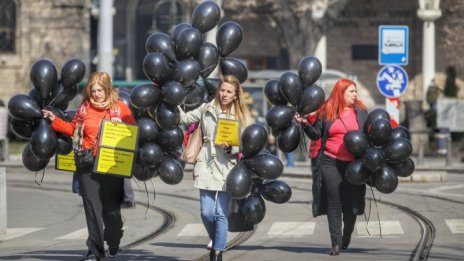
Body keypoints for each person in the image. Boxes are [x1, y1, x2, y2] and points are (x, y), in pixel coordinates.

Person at [42, 72, 136, 261]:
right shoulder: (84, 109)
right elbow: (72, 130)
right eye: (93, 91)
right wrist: (55, 120)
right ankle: (95, 250)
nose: (96, 94)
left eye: (100, 90)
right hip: (87, 165)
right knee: (93, 209)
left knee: (112, 213)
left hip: (112, 167)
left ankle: (114, 238)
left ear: (107, 89)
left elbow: (133, 135)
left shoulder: (121, 109)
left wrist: (122, 130)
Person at [179, 75, 252, 261]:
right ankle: (216, 238)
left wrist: (232, 148)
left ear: (236, 95)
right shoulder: (206, 109)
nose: (224, 94)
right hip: (206, 164)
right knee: (206, 212)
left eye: (229, 92)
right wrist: (173, 101)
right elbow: (185, 118)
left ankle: (217, 251)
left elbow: (248, 143)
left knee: (220, 212)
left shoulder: (241, 116)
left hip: (228, 167)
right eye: (222, 90)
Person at [296, 78, 368, 256]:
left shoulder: (361, 112)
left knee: (351, 206)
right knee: (334, 202)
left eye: (355, 91)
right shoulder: (327, 111)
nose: (355, 95)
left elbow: (369, 135)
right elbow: (315, 134)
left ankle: (347, 234)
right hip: (330, 162)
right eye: (351, 91)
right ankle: (335, 243)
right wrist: (305, 124)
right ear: (340, 93)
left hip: (354, 165)